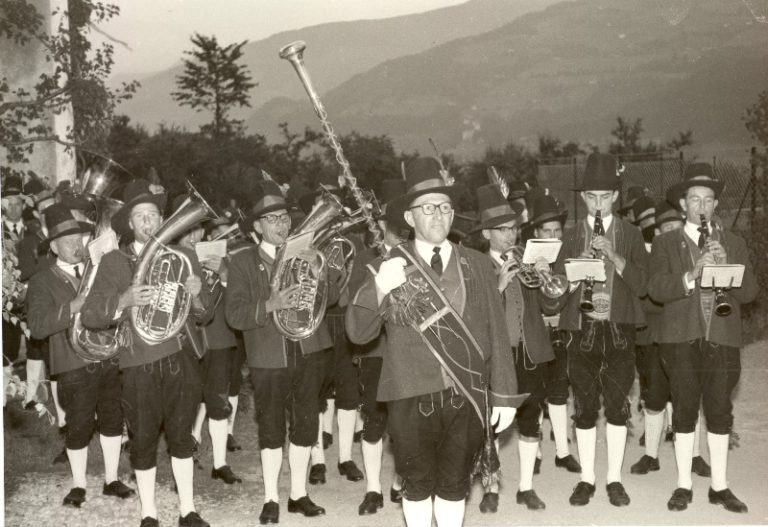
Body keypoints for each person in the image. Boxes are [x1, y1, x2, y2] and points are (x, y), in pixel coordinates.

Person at [346, 157, 523, 527]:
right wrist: (380, 287)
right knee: (417, 486)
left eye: (445, 207)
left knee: (455, 486)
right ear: (409, 218)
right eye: (428, 208)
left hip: (467, 393)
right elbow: (356, 332)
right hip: (410, 393)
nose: (438, 216)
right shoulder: (391, 263)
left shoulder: (476, 263)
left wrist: (505, 395)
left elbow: (496, 330)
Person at [81, 180, 211, 527]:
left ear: (162, 218)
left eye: (153, 214)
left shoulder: (183, 255)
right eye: (140, 216)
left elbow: (204, 315)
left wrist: (197, 294)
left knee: (182, 436)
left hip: (179, 357)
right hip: (138, 361)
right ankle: (149, 513)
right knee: (143, 438)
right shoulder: (113, 262)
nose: (148, 221)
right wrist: (124, 301)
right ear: (130, 224)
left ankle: (188, 510)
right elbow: (92, 315)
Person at [648, 163, 758, 513]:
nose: (701, 206)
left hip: (721, 338)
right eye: (694, 199)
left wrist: (730, 271)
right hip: (681, 338)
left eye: (708, 200)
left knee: (720, 411)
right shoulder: (665, 242)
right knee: (683, 412)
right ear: (683, 205)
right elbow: (656, 289)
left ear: (715, 206)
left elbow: (751, 293)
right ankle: (683, 485)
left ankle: (720, 486)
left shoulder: (734, 242)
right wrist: (691, 275)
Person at [226, 179, 333, 525]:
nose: (281, 225)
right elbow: (234, 314)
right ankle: (271, 497)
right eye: (272, 220)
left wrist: (321, 272)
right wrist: (269, 304)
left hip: (307, 348)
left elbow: (327, 301)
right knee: (271, 427)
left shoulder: (306, 252)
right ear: (256, 227)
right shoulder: (242, 261)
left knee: (305, 424)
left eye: (284, 218)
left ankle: (298, 494)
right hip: (268, 356)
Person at [553, 152, 648, 507]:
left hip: (620, 328)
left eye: (605, 197)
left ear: (616, 197)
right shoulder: (571, 234)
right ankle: (587, 479)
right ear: (583, 198)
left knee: (619, 406)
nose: (598, 204)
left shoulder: (632, 234)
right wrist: (570, 277)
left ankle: (614, 479)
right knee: (585, 406)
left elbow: (644, 286)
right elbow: (558, 288)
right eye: (591, 197)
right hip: (581, 329)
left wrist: (615, 256)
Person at [26, 203, 136, 508]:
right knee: (79, 424)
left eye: (80, 240)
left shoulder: (98, 270)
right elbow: (36, 326)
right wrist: (72, 307)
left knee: (114, 418)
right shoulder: (41, 281)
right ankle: (78, 485)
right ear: (54, 248)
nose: (77, 246)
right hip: (72, 362)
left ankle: (112, 479)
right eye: (69, 243)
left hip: (109, 356)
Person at [474, 183, 560, 512]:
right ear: (486, 235)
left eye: (513, 228)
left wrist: (547, 278)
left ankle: (526, 487)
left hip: (531, 352)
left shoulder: (527, 259)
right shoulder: (478, 266)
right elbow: (475, 316)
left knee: (530, 421)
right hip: (498, 357)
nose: (511, 236)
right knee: (493, 424)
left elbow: (552, 308)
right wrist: (499, 285)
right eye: (502, 230)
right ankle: (491, 487)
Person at [345, 179, 409, 515]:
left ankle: (400, 481)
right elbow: (356, 304)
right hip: (376, 352)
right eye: (392, 224)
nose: (398, 231)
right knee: (373, 421)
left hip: (411, 353)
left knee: (406, 423)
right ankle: (373, 489)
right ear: (381, 225)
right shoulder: (365, 258)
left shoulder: (419, 256)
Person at [300, 173, 365, 486]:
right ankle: (317, 461)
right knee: (315, 393)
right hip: (315, 322)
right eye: (320, 203)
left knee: (349, 393)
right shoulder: (302, 240)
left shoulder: (349, 241)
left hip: (345, 321)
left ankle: (345, 458)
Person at [529, 194, 581, 475]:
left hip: (560, 332)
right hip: (535, 334)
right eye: (546, 231)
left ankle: (562, 451)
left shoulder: (566, 257)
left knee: (559, 392)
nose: (552, 236)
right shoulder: (526, 260)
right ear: (536, 233)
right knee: (535, 393)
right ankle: (534, 451)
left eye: (557, 231)